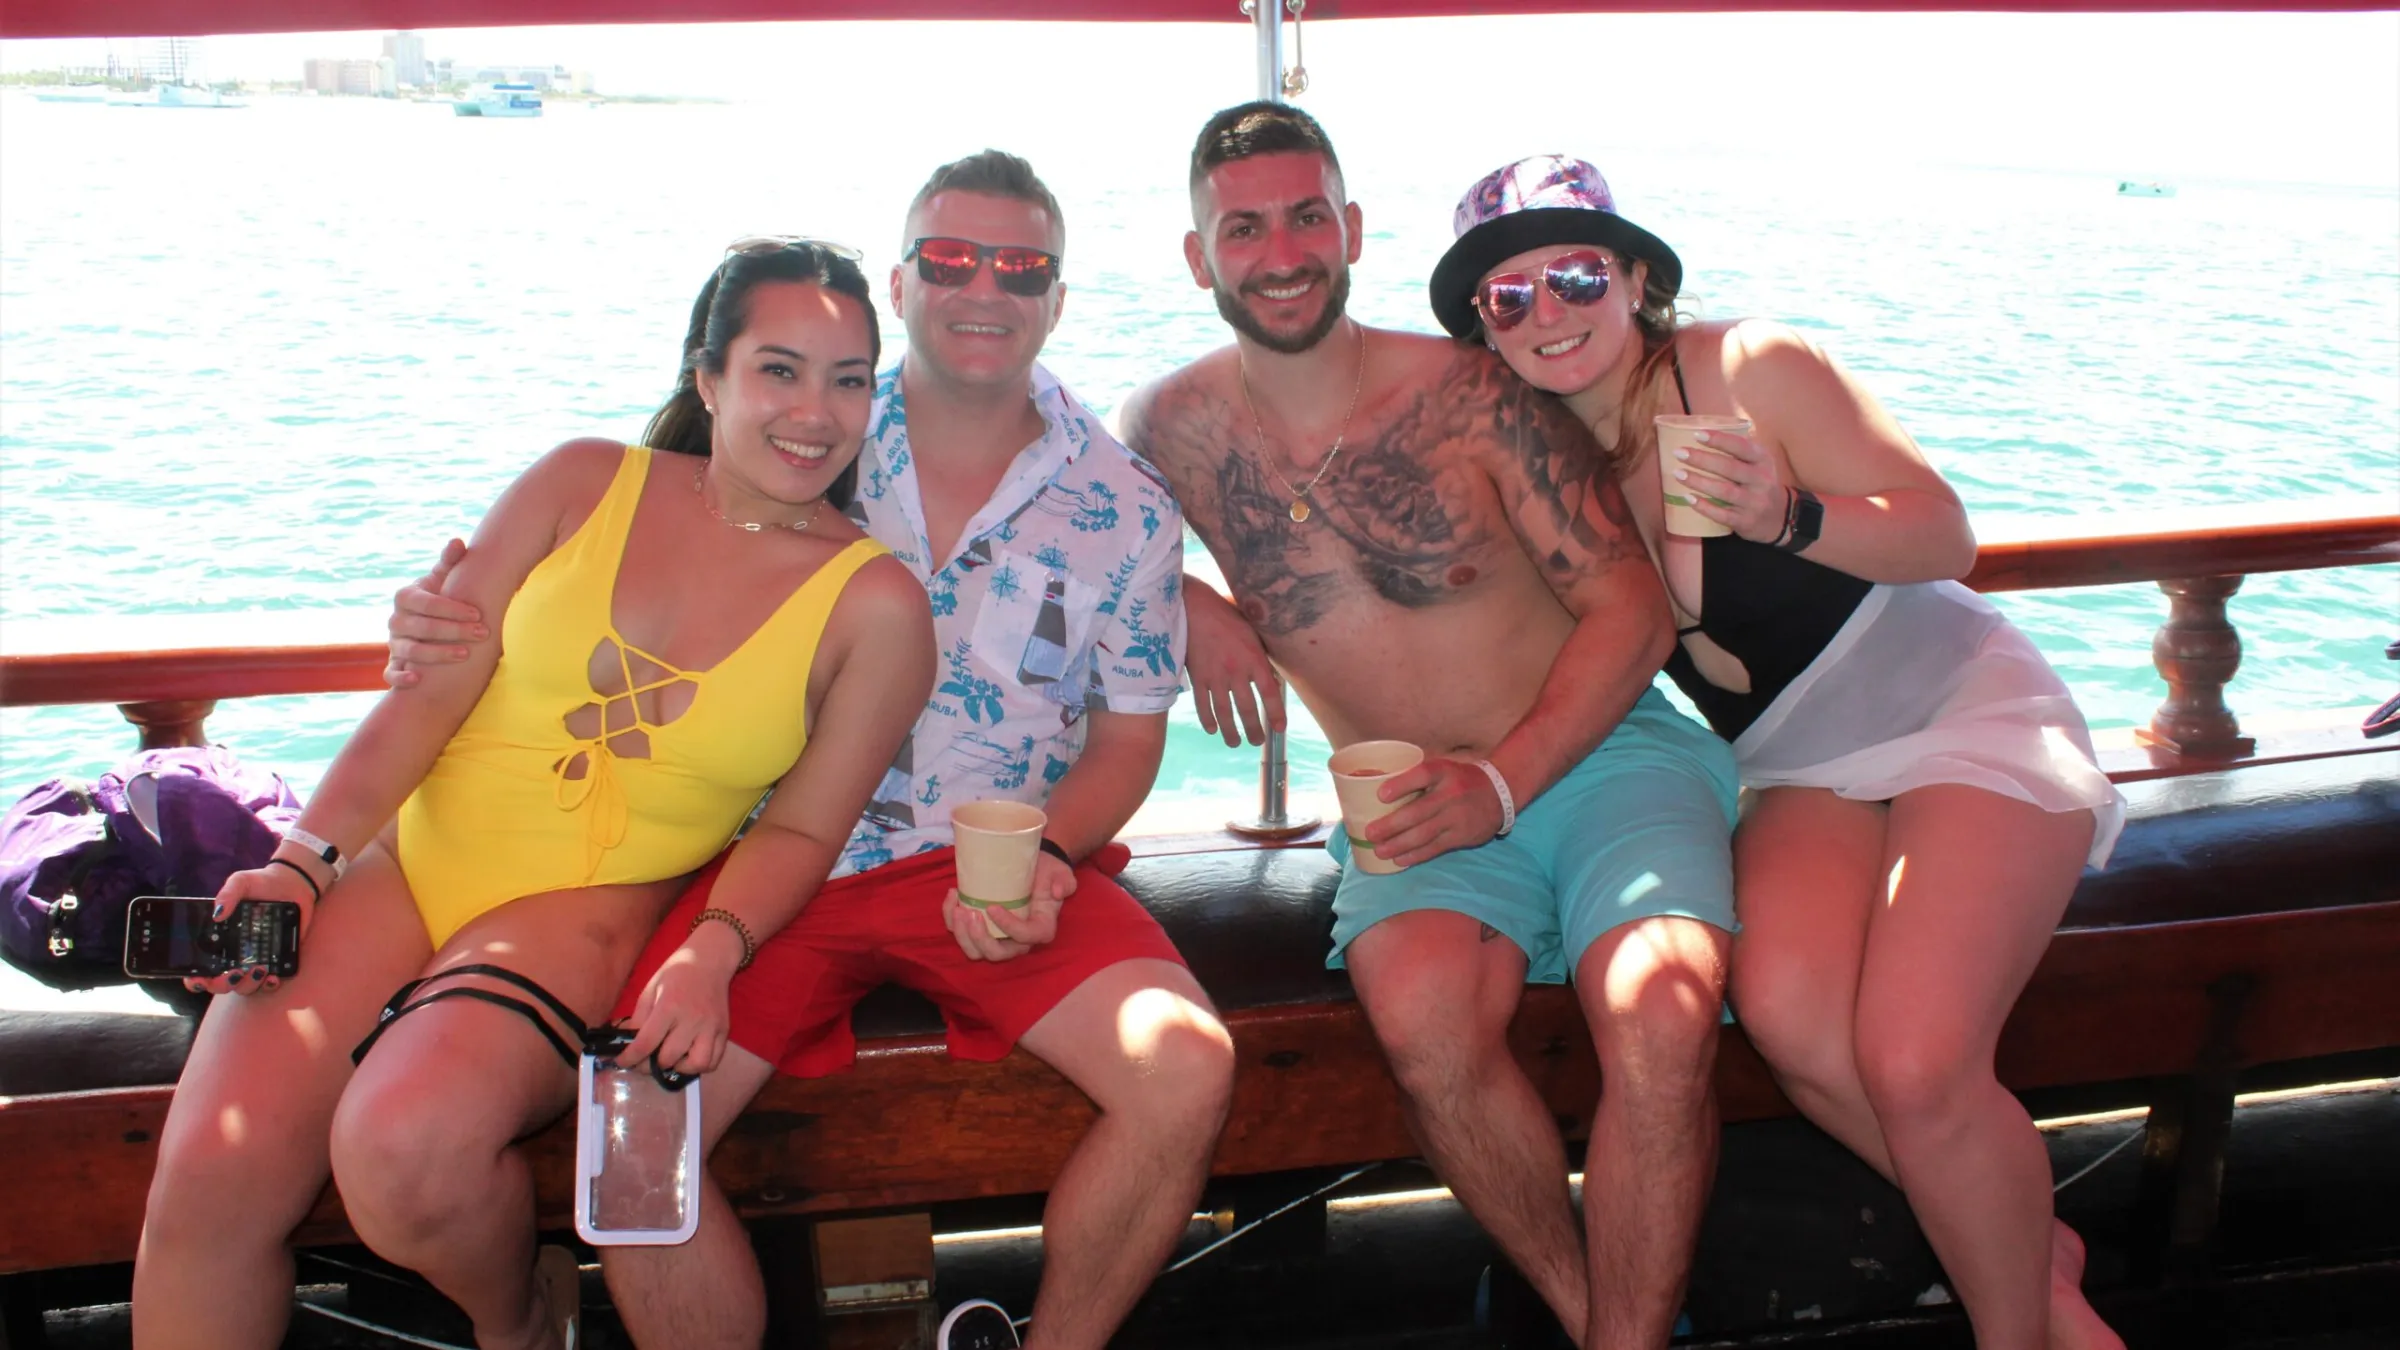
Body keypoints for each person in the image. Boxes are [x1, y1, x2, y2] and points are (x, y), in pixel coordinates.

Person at [386, 151, 1230, 1350]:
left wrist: (1049, 856)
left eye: (1021, 266)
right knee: (632, 1133)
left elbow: (1130, 739)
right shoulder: (802, 425)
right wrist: (445, 615)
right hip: (777, 865)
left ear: (1057, 298)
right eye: (951, 258)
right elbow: (626, 543)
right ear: (901, 282)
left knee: (1187, 1068)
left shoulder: (1128, 504)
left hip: (990, 863)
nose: (985, 286)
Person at [133, 240, 935, 1350]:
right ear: (709, 378)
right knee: (206, 1182)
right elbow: (426, 700)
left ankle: (517, 1321)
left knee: (405, 1144)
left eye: (848, 380)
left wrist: (713, 950)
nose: (816, 411)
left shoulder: (878, 607)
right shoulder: (578, 482)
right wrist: (301, 864)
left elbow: (802, 827)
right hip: (406, 865)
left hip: (583, 910)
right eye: (779, 370)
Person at [1429, 154, 2129, 1349]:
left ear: (1634, 280)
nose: (1548, 311)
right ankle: (2030, 1253)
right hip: (1799, 765)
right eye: (1510, 295)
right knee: (1798, 1031)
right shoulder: (1544, 480)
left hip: (1960, 709)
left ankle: (2030, 1324)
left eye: (1577, 275)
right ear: (1485, 332)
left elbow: (1945, 534)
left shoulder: (1745, 368)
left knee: (1913, 1061)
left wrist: (1786, 518)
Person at [1117, 104, 1740, 1349]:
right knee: (1422, 1025)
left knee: (1661, 1016)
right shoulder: (1166, 429)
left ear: (1351, 230)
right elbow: (1053, 539)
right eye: (1244, 228)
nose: (1281, 253)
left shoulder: (1471, 396)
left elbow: (1630, 613)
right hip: (1406, 799)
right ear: (1197, 256)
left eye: (1307, 217)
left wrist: (1502, 783)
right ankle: (1599, 1320)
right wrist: (1182, 596)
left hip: (1598, 752)